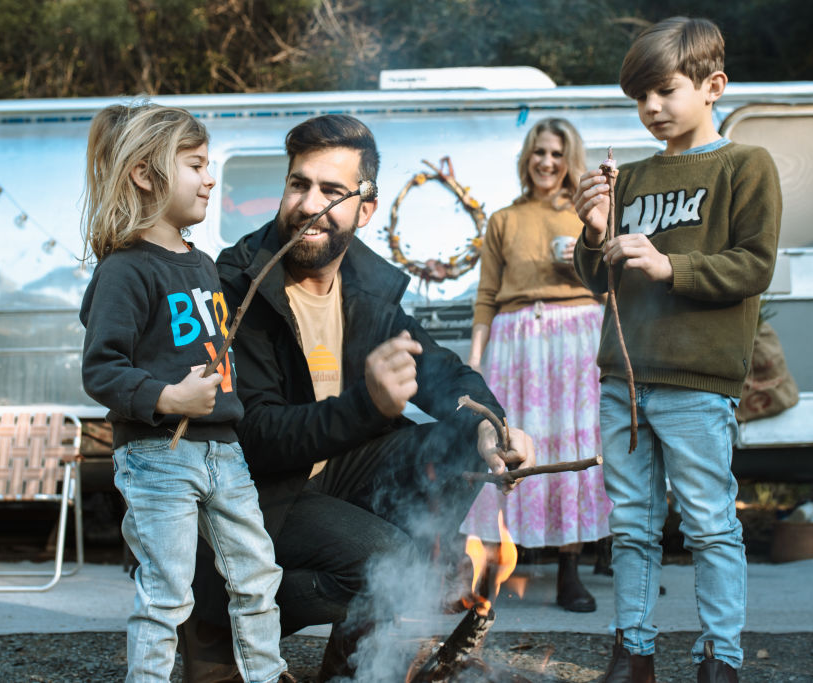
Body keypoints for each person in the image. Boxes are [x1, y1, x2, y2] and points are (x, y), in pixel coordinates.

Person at [180, 113, 535, 682]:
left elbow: (444, 373)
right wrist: (368, 407)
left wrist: (493, 426)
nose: (308, 204)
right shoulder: (241, 287)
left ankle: (349, 664)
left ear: (365, 209)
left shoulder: (367, 289)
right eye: (299, 184)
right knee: (389, 560)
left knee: (459, 440)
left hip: (329, 478)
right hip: (255, 494)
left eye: (332, 191)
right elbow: (258, 438)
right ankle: (219, 626)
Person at [572, 17, 781, 683]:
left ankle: (720, 657)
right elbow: (599, 279)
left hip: (696, 380)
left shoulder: (744, 165)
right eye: (639, 98)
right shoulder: (627, 177)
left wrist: (670, 268)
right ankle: (632, 651)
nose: (650, 108)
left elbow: (753, 266)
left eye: (663, 90)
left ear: (713, 85)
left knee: (711, 525)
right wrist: (593, 231)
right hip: (623, 382)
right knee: (631, 526)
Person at [79, 103, 292, 683]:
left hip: (223, 449)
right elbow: (101, 368)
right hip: (159, 454)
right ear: (146, 175)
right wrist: (167, 398)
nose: (210, 178)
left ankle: (265, 676)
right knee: (167, 592)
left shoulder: (201, 263)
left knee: (257, 575)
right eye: (195, 164)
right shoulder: (125, 271)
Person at [461, 117, 611, 613]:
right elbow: (486, 296)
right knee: (509, 443)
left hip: (575, 337)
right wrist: (475, 361)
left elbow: (614, 287)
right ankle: (494, 565)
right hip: (515, 340)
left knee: (571, 444)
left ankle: (570, 570)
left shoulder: (589, 216)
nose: (547, 162)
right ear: (528, 157)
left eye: (557, 153)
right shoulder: (503, 218)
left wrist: (586, 256)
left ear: (571, 161)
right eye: (539, 152)